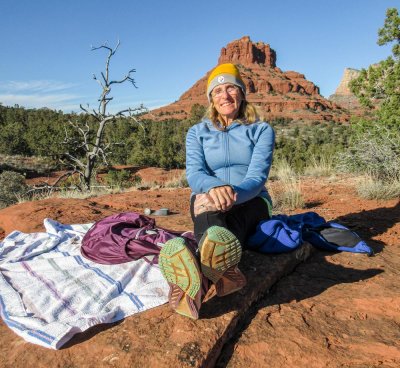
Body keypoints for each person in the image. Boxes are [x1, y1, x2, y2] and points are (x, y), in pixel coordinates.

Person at [159, 63, 275, 319]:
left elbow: (257, 178)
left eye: (231, 88)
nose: (225, 95)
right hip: (207, 197)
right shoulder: (197, 132)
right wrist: (214, 188)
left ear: (242, 92)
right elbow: (195, 174)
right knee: (210, 217)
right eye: (218, 90)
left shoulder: (261, 130)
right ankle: (222, 275)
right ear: (211, 98)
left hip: (251, 198)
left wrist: (231, 193)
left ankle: (195, 286)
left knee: (224, 225)